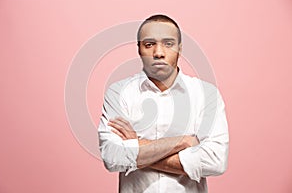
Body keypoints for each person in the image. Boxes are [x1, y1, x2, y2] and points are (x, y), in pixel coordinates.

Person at [98, 14, 229, 193]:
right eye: (149, 44)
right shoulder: (118, 92)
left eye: (168, 44)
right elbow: (112, 158)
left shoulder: (206, 94)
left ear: (180, 49)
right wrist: (182, 142)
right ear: (139, 49)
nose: (159, 53)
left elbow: (216, 161)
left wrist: (136, 145)